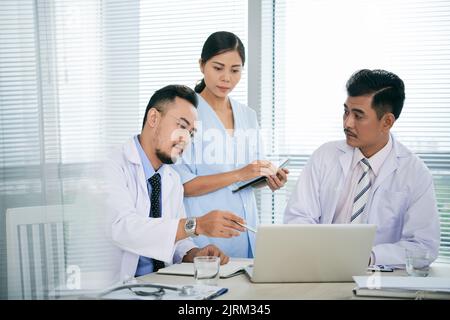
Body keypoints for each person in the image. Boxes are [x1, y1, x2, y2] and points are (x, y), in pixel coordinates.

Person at [284, 69, 440, 267]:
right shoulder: (324, 156)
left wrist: (366, 256)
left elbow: (423, 245)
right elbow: (298, 217)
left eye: (358, 116)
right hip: (320, 268)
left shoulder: (414, 172)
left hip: (380, 275)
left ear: (387, 122)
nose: (347, 123)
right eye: (346, 112)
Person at [104, 84, 246, 281]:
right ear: (153, 118)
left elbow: (177, 244)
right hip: (119, 287)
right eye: (181, 126)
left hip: (161, 285)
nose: (186, 139)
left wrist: (195, 254)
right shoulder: (111, 164)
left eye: (192, 133)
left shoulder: (171, 179)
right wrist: (196, 225)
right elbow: (121, 228)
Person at [173, 31, 289, 258]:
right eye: (218, 68)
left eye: (235, 70)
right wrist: (240, 173)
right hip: (204, 236)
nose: (226, 77)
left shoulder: (247, 115)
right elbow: (182, 185)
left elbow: (249, 176)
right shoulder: (185, 114)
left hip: (245, 231)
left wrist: (268, 178)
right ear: (202, 65)